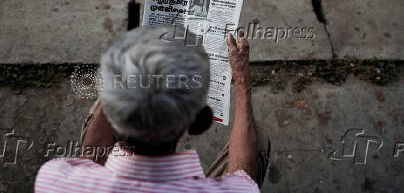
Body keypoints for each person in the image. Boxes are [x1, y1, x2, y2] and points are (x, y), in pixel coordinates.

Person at [35, 25, 270, 193]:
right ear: (198, 121)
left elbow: (91, 160)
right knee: (255, 138)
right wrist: (241, 82)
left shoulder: (55, 179)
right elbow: (244, 175)